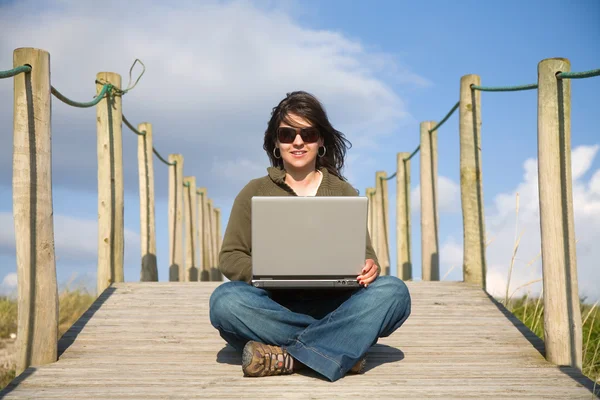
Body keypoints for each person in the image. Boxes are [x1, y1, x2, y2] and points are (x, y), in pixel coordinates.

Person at [209, 91, 411, 382]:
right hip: (274, 305)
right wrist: (265, 271)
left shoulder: (343, 191)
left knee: (394, 292)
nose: (298, 142)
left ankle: (287, 356)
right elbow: (230, 256)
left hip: (337, 303)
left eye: (308, 133)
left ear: (321, 141)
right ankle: (340, 347)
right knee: (225, 302)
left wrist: (370, 267)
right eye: (288, 134)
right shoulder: (254, 191)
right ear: (276, 143)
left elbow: (366, 255)